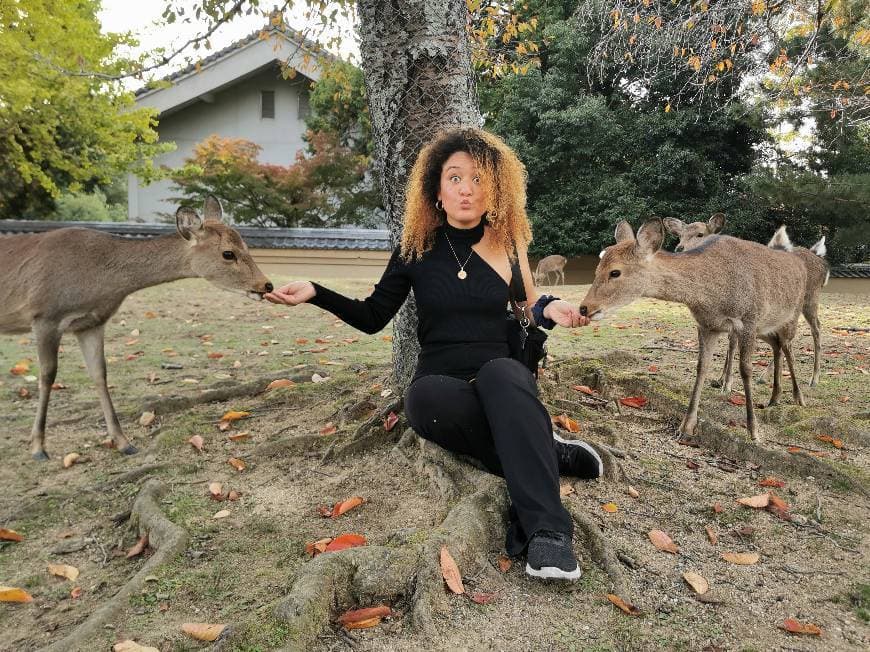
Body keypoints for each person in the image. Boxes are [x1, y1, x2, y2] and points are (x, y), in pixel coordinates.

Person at [265, 128, 603, 581]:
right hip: (441, 380)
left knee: (503, 375)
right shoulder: (415, 249)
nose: (467, 189)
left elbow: (529, 305)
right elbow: (372, 316)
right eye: (455, 178)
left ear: (495, 189)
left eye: (479, 179)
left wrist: (554, 309)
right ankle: (550, 453)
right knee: (422, 403)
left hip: (503, 372)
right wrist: (315, 292)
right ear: (437, 191)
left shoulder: (507, 243)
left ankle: (548, 534)